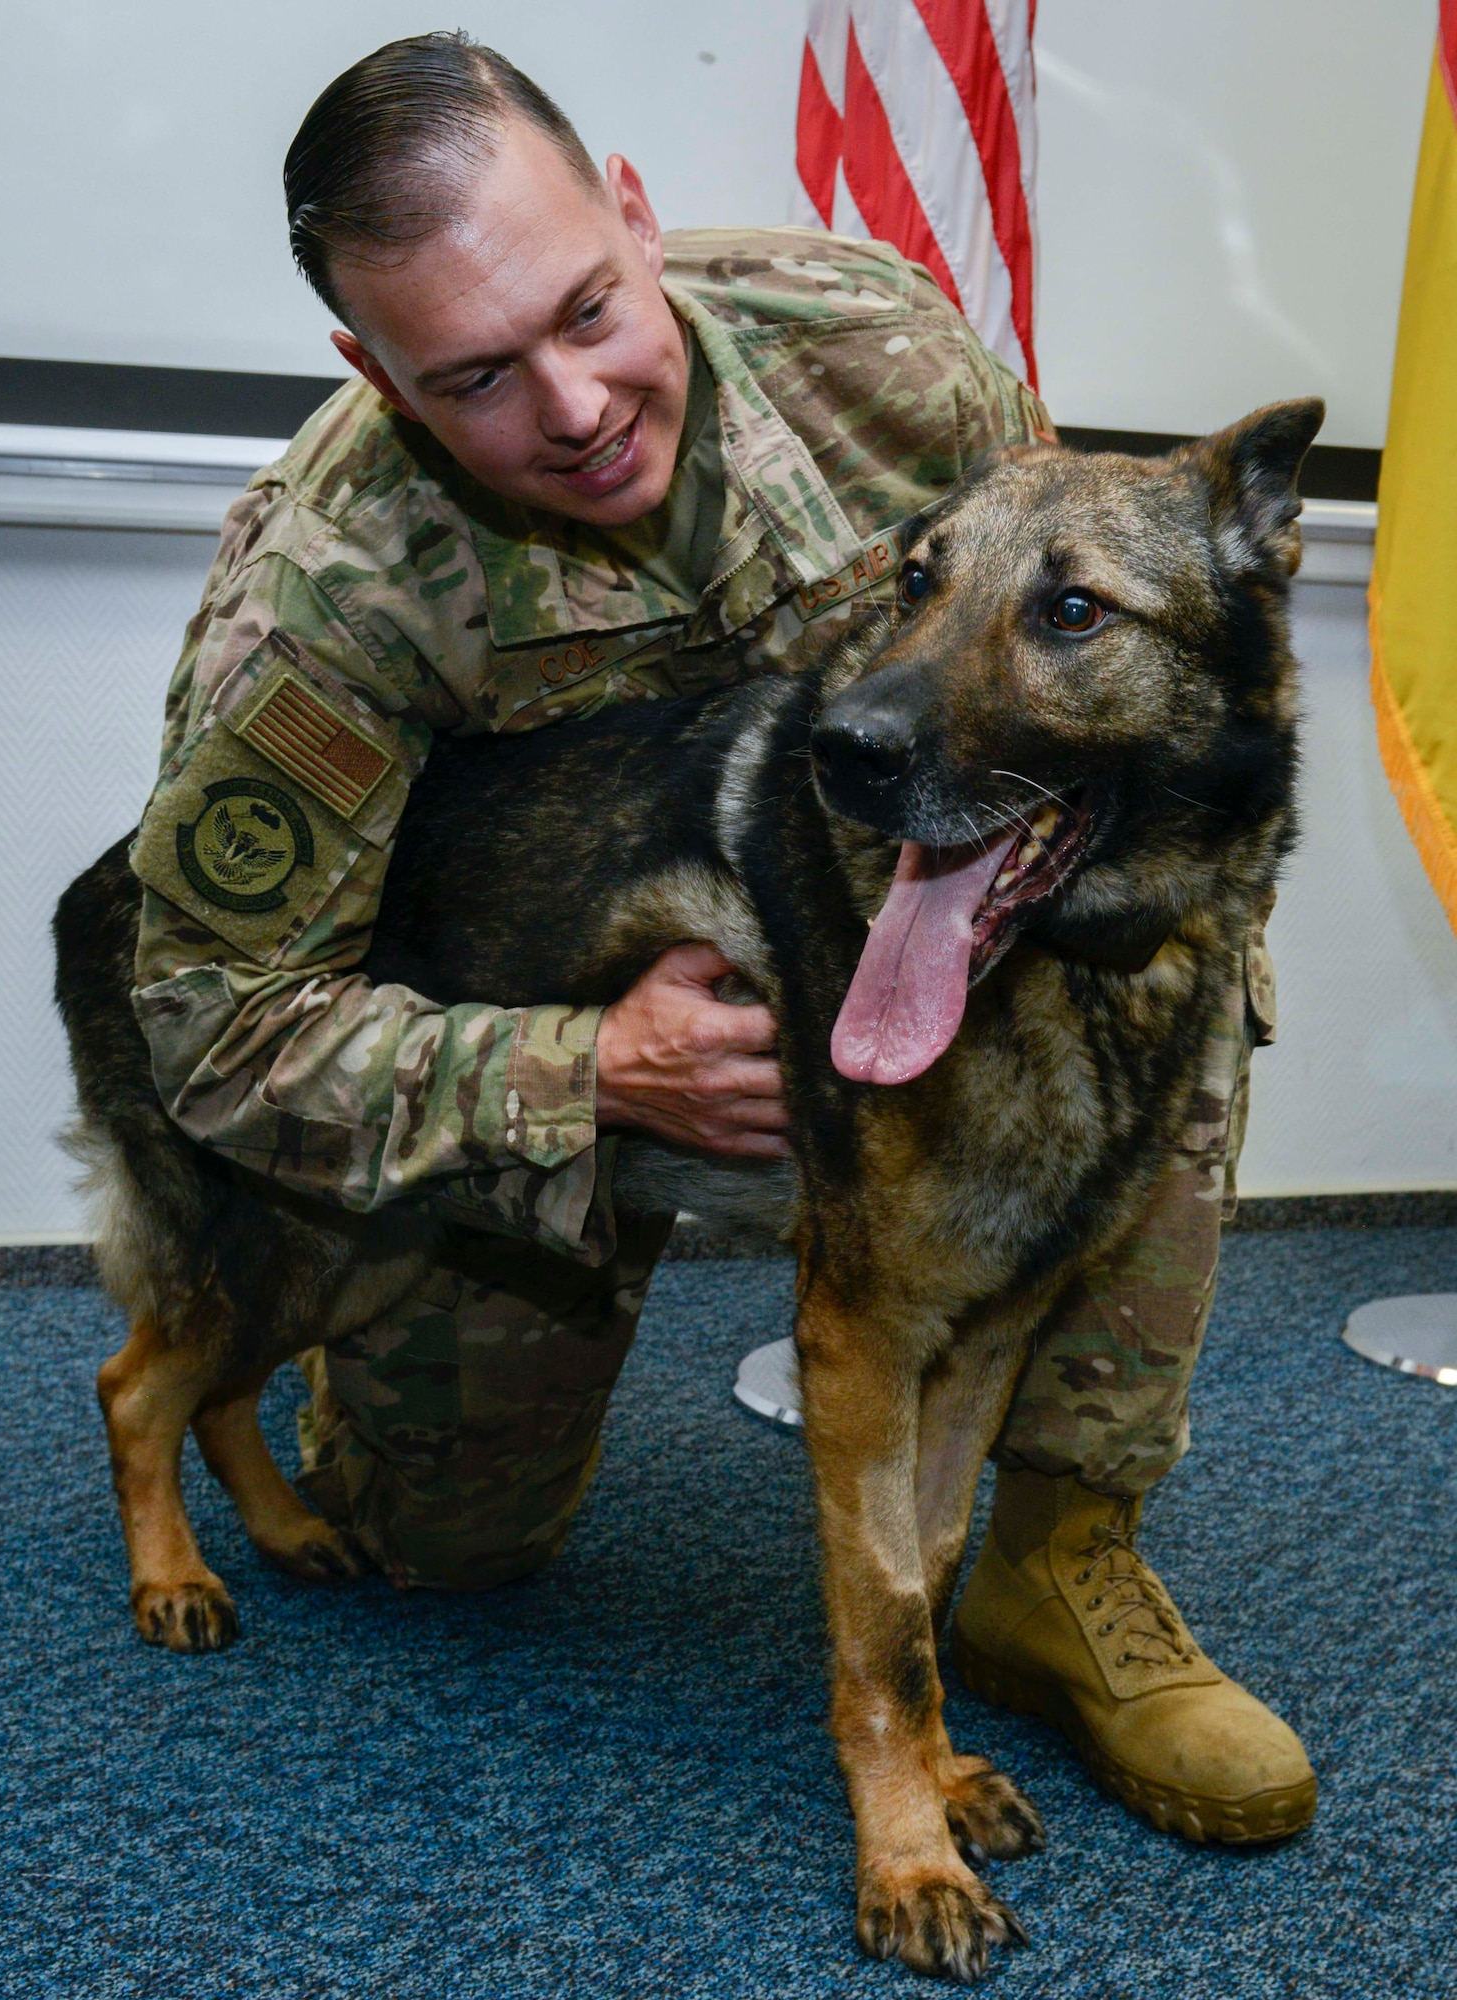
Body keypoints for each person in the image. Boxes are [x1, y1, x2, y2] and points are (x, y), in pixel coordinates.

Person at [128, 32, 1315, 1843]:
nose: (579, 403)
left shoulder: (880, 343)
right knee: (443, 1551)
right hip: (533, 1036)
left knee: (1160, 949)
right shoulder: (323, 596)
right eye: (476, 376)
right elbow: (211, 1032)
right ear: (377, 379)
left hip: (885, 902)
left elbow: (1061, 651)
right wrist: (592, 1069)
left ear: (634, 214)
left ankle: (1064, 1548)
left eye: (591, 310)